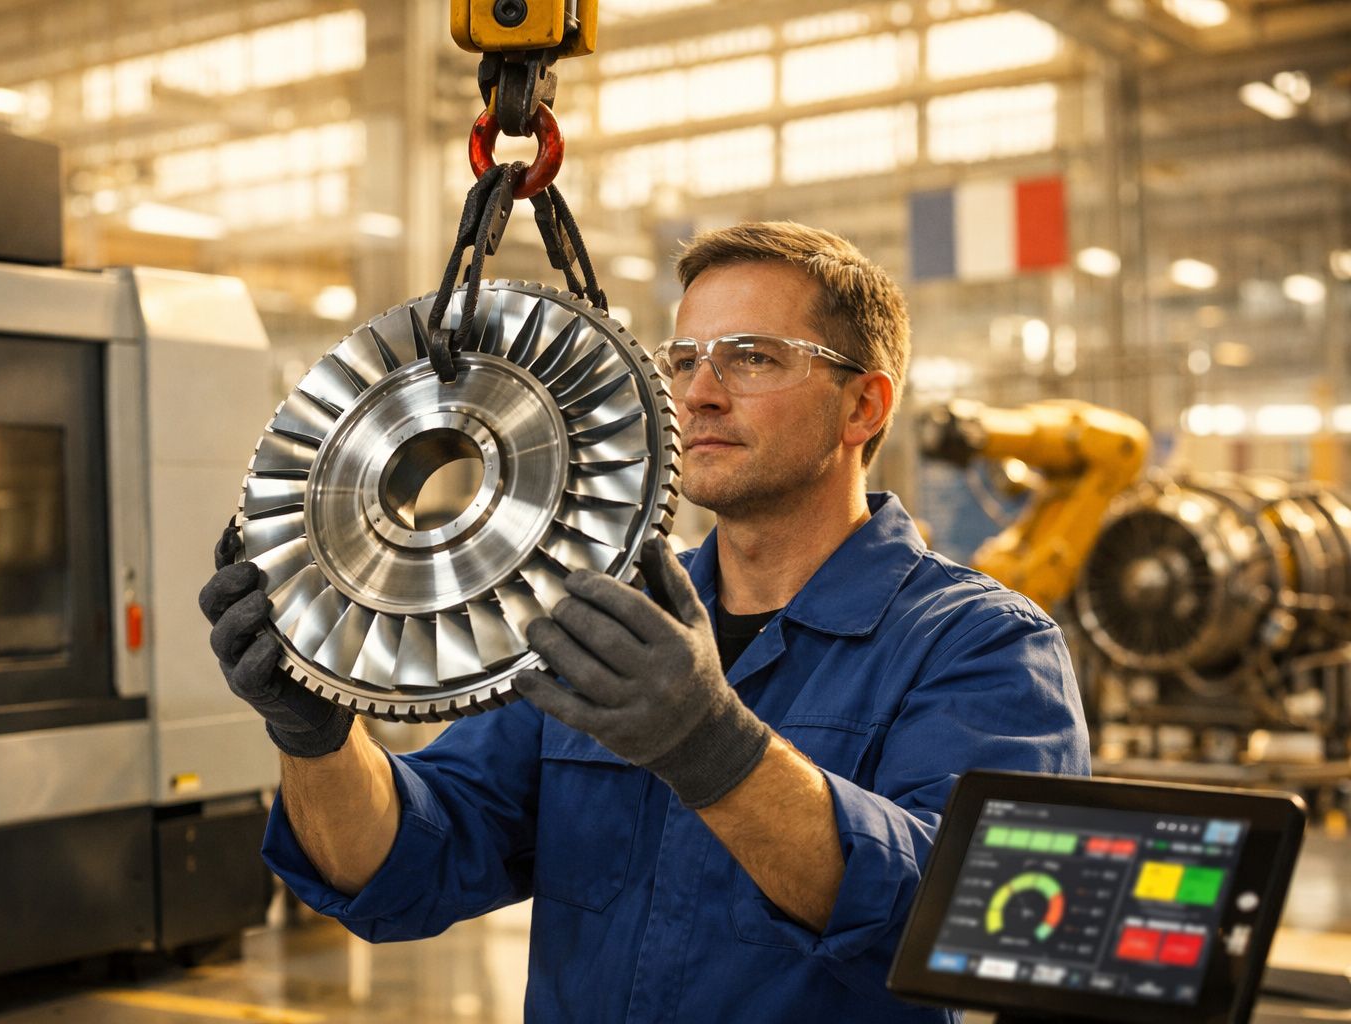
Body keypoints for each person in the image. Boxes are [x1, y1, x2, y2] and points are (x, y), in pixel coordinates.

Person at [200, 221, 1090, 1022]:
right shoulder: (595, 624)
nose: (697, 392)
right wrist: (315, 734)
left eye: (752, 357)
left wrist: (715, 749)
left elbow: (990, 927)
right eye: (683, 357)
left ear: (864, 405)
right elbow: (404, 867)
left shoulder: (983, 645)